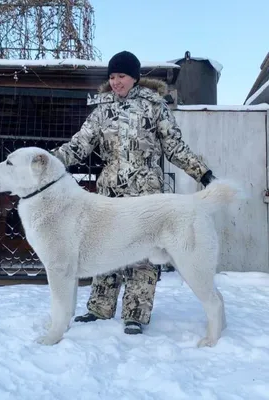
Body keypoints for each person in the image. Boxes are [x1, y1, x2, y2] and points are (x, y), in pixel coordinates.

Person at [51, 51, 215, 335]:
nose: (115, 82)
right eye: (112, 76)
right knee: (103, 248)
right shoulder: (101, 110)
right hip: (109, 195)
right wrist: (45, 161)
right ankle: (99, 308)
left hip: (145, 194)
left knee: (143, 253)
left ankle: (135, 313)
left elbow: (175, 147)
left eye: (121, 76)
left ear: (134, 77)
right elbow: (78, 146)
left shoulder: (154, 107)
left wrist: (203, 173)